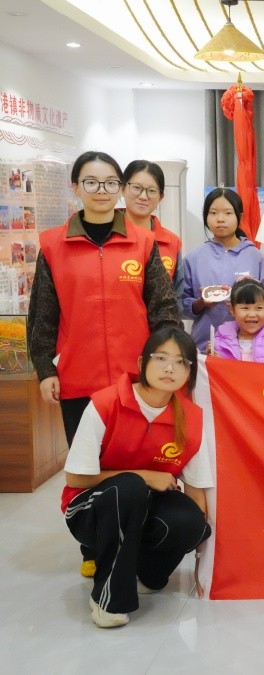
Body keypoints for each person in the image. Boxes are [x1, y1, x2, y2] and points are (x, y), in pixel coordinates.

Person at [27, 151, 180, 579]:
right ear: (75, 187)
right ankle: (92, 546)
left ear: (120, 189)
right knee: (88, 468)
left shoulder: (142, 243)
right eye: (91, 182)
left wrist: (167, 366)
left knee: (139, 463)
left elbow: (163, 311)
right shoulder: (53, 245)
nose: (102, 191)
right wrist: (46, 369)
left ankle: (140, 541)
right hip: (79, 380)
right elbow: (42, 315)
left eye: (110, 182)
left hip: (137, 381)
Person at [62, 326, 213, 628]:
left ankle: (149, 574)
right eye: (161, 358)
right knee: (129, 488)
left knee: (192, 522)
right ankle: (108, 600)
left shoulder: (191, 418)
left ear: (189, 372)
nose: (170, 368)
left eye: (181, 362)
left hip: (145, 511)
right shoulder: (105, 403)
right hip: (90, 511)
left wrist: (196, 539)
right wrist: (144, 475)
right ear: (143, 362)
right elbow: (75, 478)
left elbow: (196, 491)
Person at [182, 188, 264, 352]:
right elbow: (180, 307)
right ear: (206, 217)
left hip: (249, 350)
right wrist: (201, 302)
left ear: (239, 217)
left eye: (228, 213)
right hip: (205, 347)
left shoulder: (255, 257)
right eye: (213, 213)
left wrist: (251, 302)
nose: (220, 219)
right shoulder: (193, 258)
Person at [121, 160, 184, 295]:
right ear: (122, 189)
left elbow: (177, 296)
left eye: (152, 191)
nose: (143, 196)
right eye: (136, 188)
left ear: (161, 197)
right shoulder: (107, 236)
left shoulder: (172, 243)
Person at [212, 278, 264, 364]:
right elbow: (215, 370)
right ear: (232, 310)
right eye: (245, 308)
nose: (252, 314)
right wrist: (213, 360)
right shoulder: (220, 340)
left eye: (259, 308)